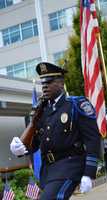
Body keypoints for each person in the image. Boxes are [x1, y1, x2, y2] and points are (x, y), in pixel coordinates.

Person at [10, 62, 101, 200]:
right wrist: (20, 148)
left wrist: (89, 172)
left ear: (61, 83)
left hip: (70, 166)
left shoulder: (76, 105)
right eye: (43, 83)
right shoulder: (42, 110)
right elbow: (36, 142)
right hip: (48, 171)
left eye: (49, 82)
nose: (45, 86)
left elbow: (92, 139)